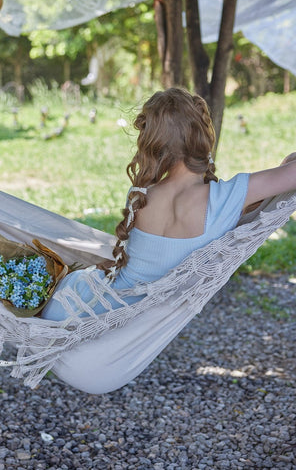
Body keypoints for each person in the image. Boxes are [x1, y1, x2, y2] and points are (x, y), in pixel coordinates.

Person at [41, 87, 296, 321]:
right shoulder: (224, 199)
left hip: (71, 305)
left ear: (153, 145)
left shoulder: (141, 194)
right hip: (107, 320)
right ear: (205, 136)